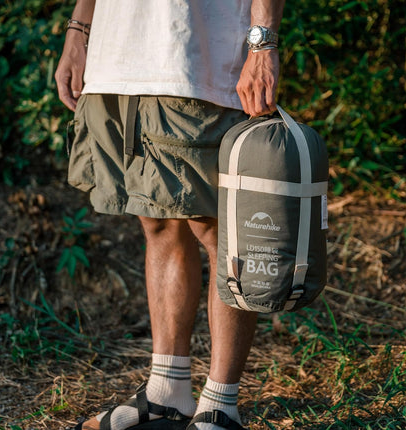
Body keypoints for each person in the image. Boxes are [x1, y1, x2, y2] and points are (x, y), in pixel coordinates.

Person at [55, 1, 285, 429]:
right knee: (157, 221)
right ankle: (167, 394)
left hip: (199, 55)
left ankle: (220, 405)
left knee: (219, 229)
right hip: (115, 56)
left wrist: (262, 41)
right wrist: (79, 29)